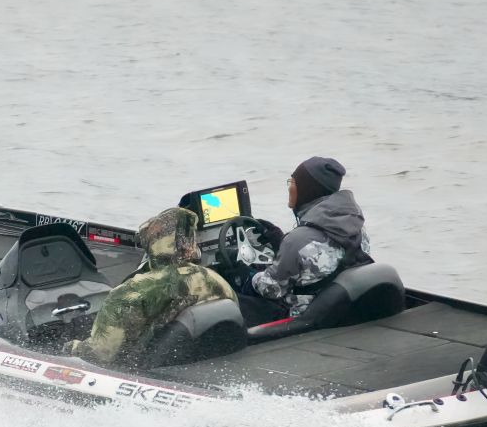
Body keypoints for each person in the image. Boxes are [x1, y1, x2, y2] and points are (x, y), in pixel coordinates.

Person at [68, 206, 237, 366]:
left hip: (142, 365)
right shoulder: (216, 280)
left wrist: (72, 348)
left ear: (152, 244)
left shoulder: (131, 292)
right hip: (195, 359)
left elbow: (102, 353)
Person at [246, 156, 371, 319]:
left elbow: (272, 289)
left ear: (307, 189)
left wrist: (248, 275)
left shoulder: (297, 241)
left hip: (306, 318)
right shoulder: (357, 228)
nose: (289, 188)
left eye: (292, 182)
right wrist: (281, 243)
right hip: (344, 309)